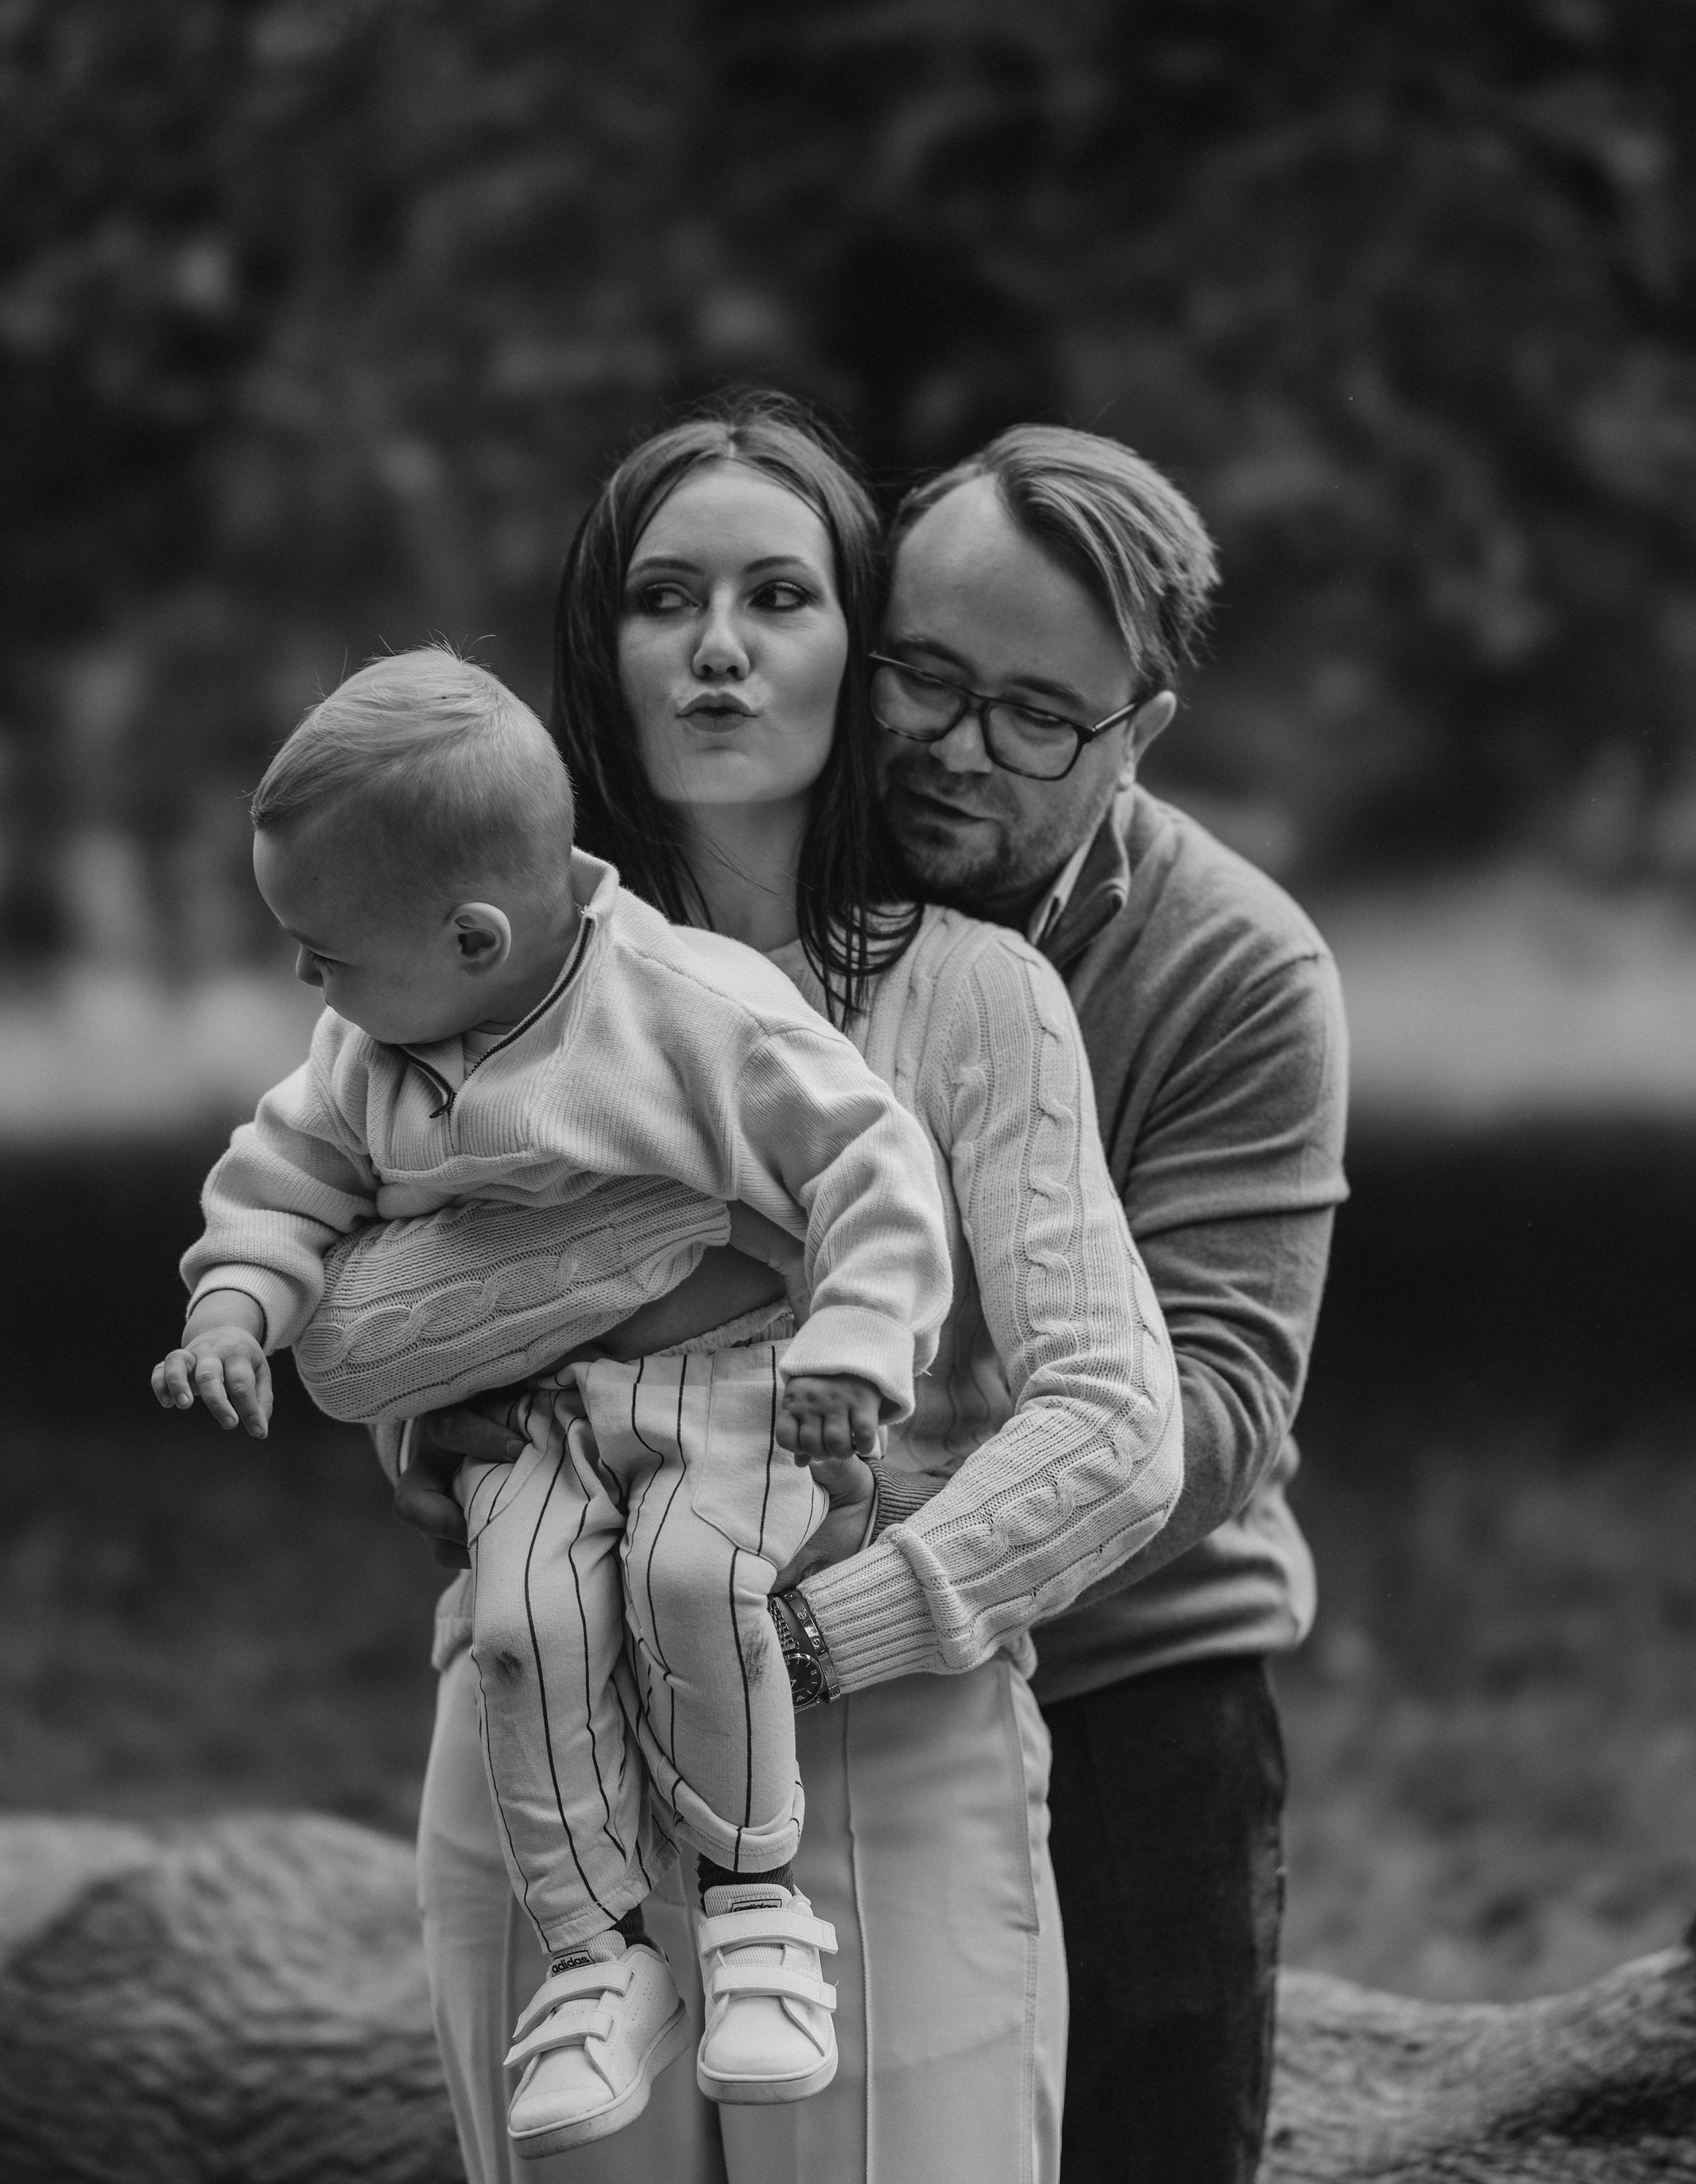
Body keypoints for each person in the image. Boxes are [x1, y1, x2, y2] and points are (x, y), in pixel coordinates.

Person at [294, 395, 1185, 2184]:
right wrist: (690, 1254)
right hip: (541, 1779)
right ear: (598, 651)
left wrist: (809, 1634)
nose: (715, 647)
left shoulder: (970, 1002)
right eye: (662, 597)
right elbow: (349, 1335)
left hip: (888, 1762)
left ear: (856, 649)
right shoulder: (458, 992)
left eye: (778, 596)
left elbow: (1117, 1430)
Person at [149, 644, 955, 2149]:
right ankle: (601, 1956)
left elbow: (872, 1164)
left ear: (469, 934)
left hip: (736, 1389)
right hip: (539, 1425)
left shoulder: (688, 1009)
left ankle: (750, 1904)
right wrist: (232, 1310)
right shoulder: (364, 1054)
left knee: (691, 1576)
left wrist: (855, 1342)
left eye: (322, 951)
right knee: (523, 1630)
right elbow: (279, 1188)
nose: (305, 982)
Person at [872, 425, 1350, 2184]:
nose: (949, 749)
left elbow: (1218, 1408)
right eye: (918, 676)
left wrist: (858, 1540)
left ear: (1135, 733)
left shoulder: (1237, 965)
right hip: (749, 1677)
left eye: (1032, 718)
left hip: (1125, 1676)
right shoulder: (749, 875)